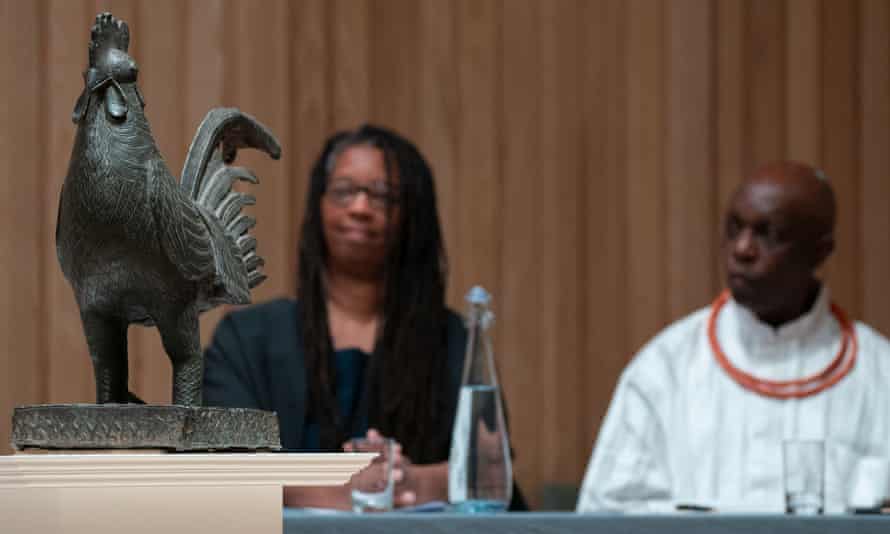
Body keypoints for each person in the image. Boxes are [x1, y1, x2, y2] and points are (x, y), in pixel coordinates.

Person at [203, 124, 525, 510]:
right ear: (319, 205)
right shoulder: (247, 339)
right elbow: (223, 468)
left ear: (412, 216)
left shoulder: (452, 339)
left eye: (382, 196)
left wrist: (409, 481)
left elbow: (490, 471)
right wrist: (351, 486)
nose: (359, 208)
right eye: (343, 191)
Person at [577, 161, 890, 513]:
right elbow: (602, 515)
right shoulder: (665, 368)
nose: (742, 249)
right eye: (734, 228)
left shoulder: (880, 376)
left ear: (820, 250)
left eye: (768, 234)